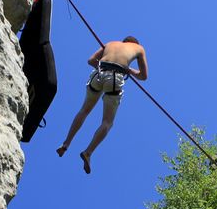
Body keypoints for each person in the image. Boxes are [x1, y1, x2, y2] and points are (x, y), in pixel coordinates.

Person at [58, 37, 149, 174]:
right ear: (134, 44)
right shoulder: (139, 48)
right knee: (107, 122)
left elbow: (91, 61)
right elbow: (143, 76)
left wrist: (106, 66)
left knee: (84, 110)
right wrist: (128, 70)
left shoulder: (110, 43)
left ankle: (66, 143)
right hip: (114, 78)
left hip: (98, 74)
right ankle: (88, 153)